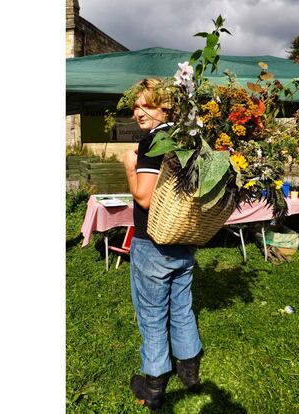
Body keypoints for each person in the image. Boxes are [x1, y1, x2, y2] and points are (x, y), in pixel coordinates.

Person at [123, 78, 203, 410]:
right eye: (135, 105)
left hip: (152, 242)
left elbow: (143, 197)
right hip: (183, 239)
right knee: (181, 306)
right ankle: (190, 372)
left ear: (164, 106)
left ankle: (154, 384)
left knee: (152, 314)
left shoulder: (155, 140)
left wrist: (129, 166)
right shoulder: (188, 139)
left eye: (146, 104)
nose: (137, 111)